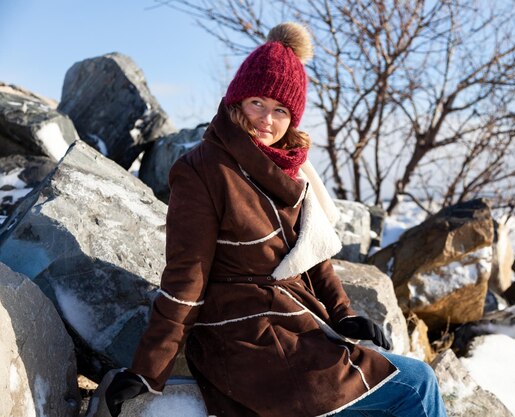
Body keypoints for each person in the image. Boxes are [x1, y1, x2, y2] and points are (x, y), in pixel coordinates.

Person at [105, 22, 448, 417]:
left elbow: (312, 253)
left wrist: (345, 315)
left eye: (281, 110)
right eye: (258, 103)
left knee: (409, 384)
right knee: (417, 385)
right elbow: (186, 278)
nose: (267, 119)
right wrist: (149, 371)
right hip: (247, 336)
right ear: (236, 102)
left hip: (294, 325)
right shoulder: (202, 170)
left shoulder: (293, 171)